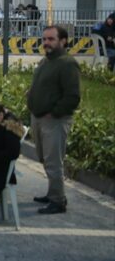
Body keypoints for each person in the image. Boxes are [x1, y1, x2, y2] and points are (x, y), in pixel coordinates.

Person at [26, 25, 81, 214]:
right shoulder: (46, 61)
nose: (46, 43)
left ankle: (58, 200)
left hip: (54, 120)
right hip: (38, 117)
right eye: (44, 39)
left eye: (51, 39)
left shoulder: (67, 64)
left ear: (63, 41)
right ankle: (52, 193)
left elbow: (72, 96)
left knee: (53, 161)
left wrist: (55, 112)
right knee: (44, 157)